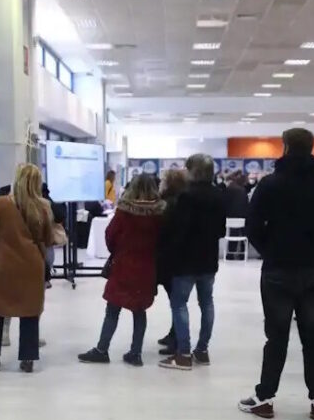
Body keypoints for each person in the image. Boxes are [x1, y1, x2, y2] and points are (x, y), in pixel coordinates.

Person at [238, 129, 314, 420]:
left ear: (284, 147)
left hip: (277, 270)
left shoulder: (270, 184)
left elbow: (252, 225)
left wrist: (269, 250)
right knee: (313, 336)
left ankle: (265, 397)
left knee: (276, 336)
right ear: (310, 148)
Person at [0, 164, 55, 374]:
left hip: (4, 267)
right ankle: (27, 359)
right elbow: (48, 238)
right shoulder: (44, 206)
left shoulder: (0, 203)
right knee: (30, 313)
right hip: (33, 267)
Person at [79, 174, 164, 367]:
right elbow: (163, 240)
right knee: (139, 310)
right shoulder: (159, 214)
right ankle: (136, 353)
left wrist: (118, 251)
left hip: (123, 266)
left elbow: (110, 235)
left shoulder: (124, 212)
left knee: (113, 309)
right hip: (147, 268)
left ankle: (102, 350)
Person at [158, 154, 227, 371]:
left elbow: (180, 231)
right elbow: (220, 230)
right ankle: (202, 350)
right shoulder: (218, 195)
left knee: (179, 304)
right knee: (207, 303)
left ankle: (184, 353)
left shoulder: (186, 196)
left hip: (186, 260)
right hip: (209, 258)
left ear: (192, 171)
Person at [155, 169, 189, 355]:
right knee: (175, 300)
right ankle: (174, 334)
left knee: (176, 302)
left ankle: (178, 341)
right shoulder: (182, 201)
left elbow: (164, 231)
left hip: (169, 258)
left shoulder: (169, 204)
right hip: (178, 258)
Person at [224, 171, 250, 258]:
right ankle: (242, 254)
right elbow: (246, 203)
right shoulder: (243, 190)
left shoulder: (230, 188)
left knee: (233, 234)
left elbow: (225, 202)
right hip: (243, 216)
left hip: (232, 217)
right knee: (244, 235)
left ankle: (230, 254)